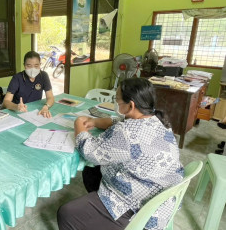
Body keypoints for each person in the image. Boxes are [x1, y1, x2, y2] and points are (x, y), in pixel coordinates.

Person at [57, 78, 183, 230]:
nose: (115, 103)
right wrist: (95, 122)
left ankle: (108, 219)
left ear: (131, 105)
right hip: (159, 191)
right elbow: (117, 121)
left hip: (139, 207)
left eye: (117, 101)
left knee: (66, 213)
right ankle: (98, 209)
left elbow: (90, 152)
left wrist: (79, 124)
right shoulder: (157, 120)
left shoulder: (126, 133)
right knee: (91, 171)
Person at [3, 51, 54, 118]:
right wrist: (16, 107)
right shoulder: (17, 78)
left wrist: (46, 107)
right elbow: (6, 101)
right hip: (17, 112)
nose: (33, 69)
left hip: (35, 112)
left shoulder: (43, 76)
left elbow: (50, 97)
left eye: (36, 65)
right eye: (29, 66)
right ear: (24, 65)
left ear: (40, 65)